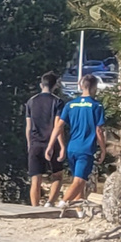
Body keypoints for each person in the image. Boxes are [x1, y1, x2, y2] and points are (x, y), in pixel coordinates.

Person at [47, 73, 106, 207]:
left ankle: (79, 210)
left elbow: (58, 126)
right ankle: (62, 204)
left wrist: (50, 146)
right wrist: (103, 149)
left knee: (78, 180)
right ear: (94, 87)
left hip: (72, 148)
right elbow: (99, 130)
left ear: (81, 86)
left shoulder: (70, 105)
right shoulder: (97, 106)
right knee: (79, 181)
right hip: (85, 148)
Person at [22, 72, 66, 206]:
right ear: (55, 86)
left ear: (41, 85)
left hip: (35, 143)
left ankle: (35, 207)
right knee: (57, 176)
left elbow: (28, 127)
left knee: (35, 179)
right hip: (52, 143)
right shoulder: (57, 101)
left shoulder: (31, 101)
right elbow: (58, 126)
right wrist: (62, 145)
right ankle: (50, 202)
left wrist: (29, 144)